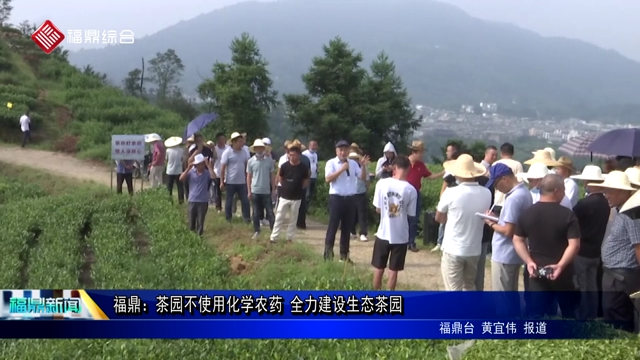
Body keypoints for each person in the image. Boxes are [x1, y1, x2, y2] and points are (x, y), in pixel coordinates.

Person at [513, 174, 581, 319]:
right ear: (557, 190)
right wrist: (561, 265)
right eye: (563, 189)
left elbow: (517, 240)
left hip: (536, 270)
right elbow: (574, 245)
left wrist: (529, 261)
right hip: (563, 272)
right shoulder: (567, 215)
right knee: (569, 312)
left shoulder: (527, 213)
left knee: (535, 314)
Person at [590, 171, 640, 333]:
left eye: (611, 191)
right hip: (614, 274)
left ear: (625, 192)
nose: (606, 195)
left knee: (617, 315)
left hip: (621, 275)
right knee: (611, 313)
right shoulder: (620, 211)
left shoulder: (632, 215)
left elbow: (638, 246)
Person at [435, 154, 491, 291]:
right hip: (474, 248)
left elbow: (439, 217)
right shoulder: (486, 193)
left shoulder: (451, 192)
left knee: (453, 290)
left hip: (453, 248)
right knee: (469, 286)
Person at [484, 164, 533, 297]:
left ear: (505, 179)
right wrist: (497, 219)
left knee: (502, 297)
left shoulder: (513, 198)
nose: (496, 188)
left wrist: (490, 223)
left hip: (505, 253)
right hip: (514, 253)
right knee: (511, 294)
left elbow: (508, 230)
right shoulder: (524, 192)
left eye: (496, 184)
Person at [371, 155, 417, 290]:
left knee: (379, 267)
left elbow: (378, 209)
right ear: (409, 169)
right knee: (393, 270)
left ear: (394, 168)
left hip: (383, 232)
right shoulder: (411, 189)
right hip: (401, 235)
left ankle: (375, 294)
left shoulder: (382, 183)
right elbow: (410, 214)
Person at [569, 165, 609, 320]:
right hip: (596, 250)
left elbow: (571, 220)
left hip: (582, 250)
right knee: (592, 285)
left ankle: (583, 316)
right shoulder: (605, 203)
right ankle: (592, 314)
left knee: (582, 285)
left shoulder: (585, 204)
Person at [324, 140, 370, 262]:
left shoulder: (353, 164)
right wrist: (342, 169)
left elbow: (362, 177)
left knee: (347, 228)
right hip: (336, 198)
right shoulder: (331, 163)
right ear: (337, 151)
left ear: (349, 151)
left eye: (345, 150)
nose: (343, 152)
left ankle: (344, 256)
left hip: (350, 198)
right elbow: (328, 179)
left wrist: (363, 166)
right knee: (333, 227)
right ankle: (328, 255)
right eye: (341, 150)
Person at [407, 140, 444, 252]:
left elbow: (429, 176)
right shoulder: (404, 162)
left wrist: (442, 173)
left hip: (415, 193)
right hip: (404, 193)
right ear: (415, 152)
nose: (422, 155)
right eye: (421, 153)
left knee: (414, 218)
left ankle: (411, 242)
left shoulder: (420, 165)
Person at [270, 140, 310, 243]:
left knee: (293, 219)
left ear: (299, 155)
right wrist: (286, 187)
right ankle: (274, 237)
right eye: (290, 155)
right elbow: (280, 178)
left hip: (297, 196)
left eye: (294, 155)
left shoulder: (303, 168)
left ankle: (289, 238)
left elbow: (306, 181)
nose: (291, 157)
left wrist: (298, 188)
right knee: (279, 216)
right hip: (284, 195)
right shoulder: (284, 166)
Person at [432, 143, 460, 252]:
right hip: (447, 196)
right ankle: (440, 242)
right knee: (443, 221)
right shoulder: (447, 166)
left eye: (449, 151)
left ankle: (443, 242)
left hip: (453, 196)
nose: (447, 153)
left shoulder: (454, 167)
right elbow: (444, 181)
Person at [179, 154, 216, 236]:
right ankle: (191, 238)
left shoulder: (207, 173)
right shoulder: (191, 172)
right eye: (199, 164)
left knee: (200, 222)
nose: (201, 166)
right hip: (192, 200)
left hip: (203, 201)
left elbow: (214, 177)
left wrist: (209, 166)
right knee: (191, 222)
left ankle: (199, 237)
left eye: (202, 164)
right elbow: (181, 178)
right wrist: (188, 168)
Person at [247, 139, 276, 239]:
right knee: (255, 212)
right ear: (255, 149)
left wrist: (273, 190)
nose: (259, 150)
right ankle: (256, 231)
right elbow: (249, 177)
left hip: (266, 190)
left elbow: (272, 176)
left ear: (263, 149)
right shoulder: (250, 161)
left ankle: (274, 232)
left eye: (261, 148)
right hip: (255, 189)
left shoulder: (269, 161)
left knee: (270, 212)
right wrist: (249, 191)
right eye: (257, 148)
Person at [220, 132, 251, 223]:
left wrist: (247, 178)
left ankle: (246, 218)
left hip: (242, 181)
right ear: (233, 142)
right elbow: (223, 168)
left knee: (245, 201)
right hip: (230, 181)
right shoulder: (227, 152)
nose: (241, 144)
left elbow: (246, 166)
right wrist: (222, 181)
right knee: (229, 200)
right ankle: (228, 218)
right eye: (239, 142)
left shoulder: (244, 152)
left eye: (242, 142)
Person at [493, 142, 524, 213]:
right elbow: (520, 183)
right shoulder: (517, 165)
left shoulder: (495, 164)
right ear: (512, 153)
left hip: (497, 201)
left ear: (501, 153)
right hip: (512, 202)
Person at [298, 140, 319, 229]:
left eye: (315, 145)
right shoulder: (305, 154)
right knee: (306, 195)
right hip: (307, 178)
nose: (314, 147)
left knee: (310, 195)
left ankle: (306, 210)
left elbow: (315, 164)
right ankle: (303, 212)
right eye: (312, 145)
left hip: (313, 176)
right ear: (309, 145)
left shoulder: (315, 154)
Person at [349, 152, 370, 242]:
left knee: (362, 214)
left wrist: (366, 189)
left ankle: (363, 233)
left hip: (361, 193)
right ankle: (352, 231)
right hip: (351, 193)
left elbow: (367, 180)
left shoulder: (363, 168)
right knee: (352, 214)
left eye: (355, 158)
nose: (354, 160)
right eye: (351, 158)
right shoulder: (347, 168)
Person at [164, 136, 185, 204]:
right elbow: (182, 159)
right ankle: (181, 201)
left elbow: (166, 159)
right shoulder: (181, 150)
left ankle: (169, 201)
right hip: (179, 170)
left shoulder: (168, 150)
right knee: (180, 187)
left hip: (170, 170)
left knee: (169, 187)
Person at [212, 133, 229, 212]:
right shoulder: (214, 149)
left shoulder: (228, 148)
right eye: (220, 139)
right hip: (217, 172)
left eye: (223, 139)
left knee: (228, 191)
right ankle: (218, 207)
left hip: (227, 173)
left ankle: (229, 208)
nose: (221, 141)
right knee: (217, 191)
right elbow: (213, 160)